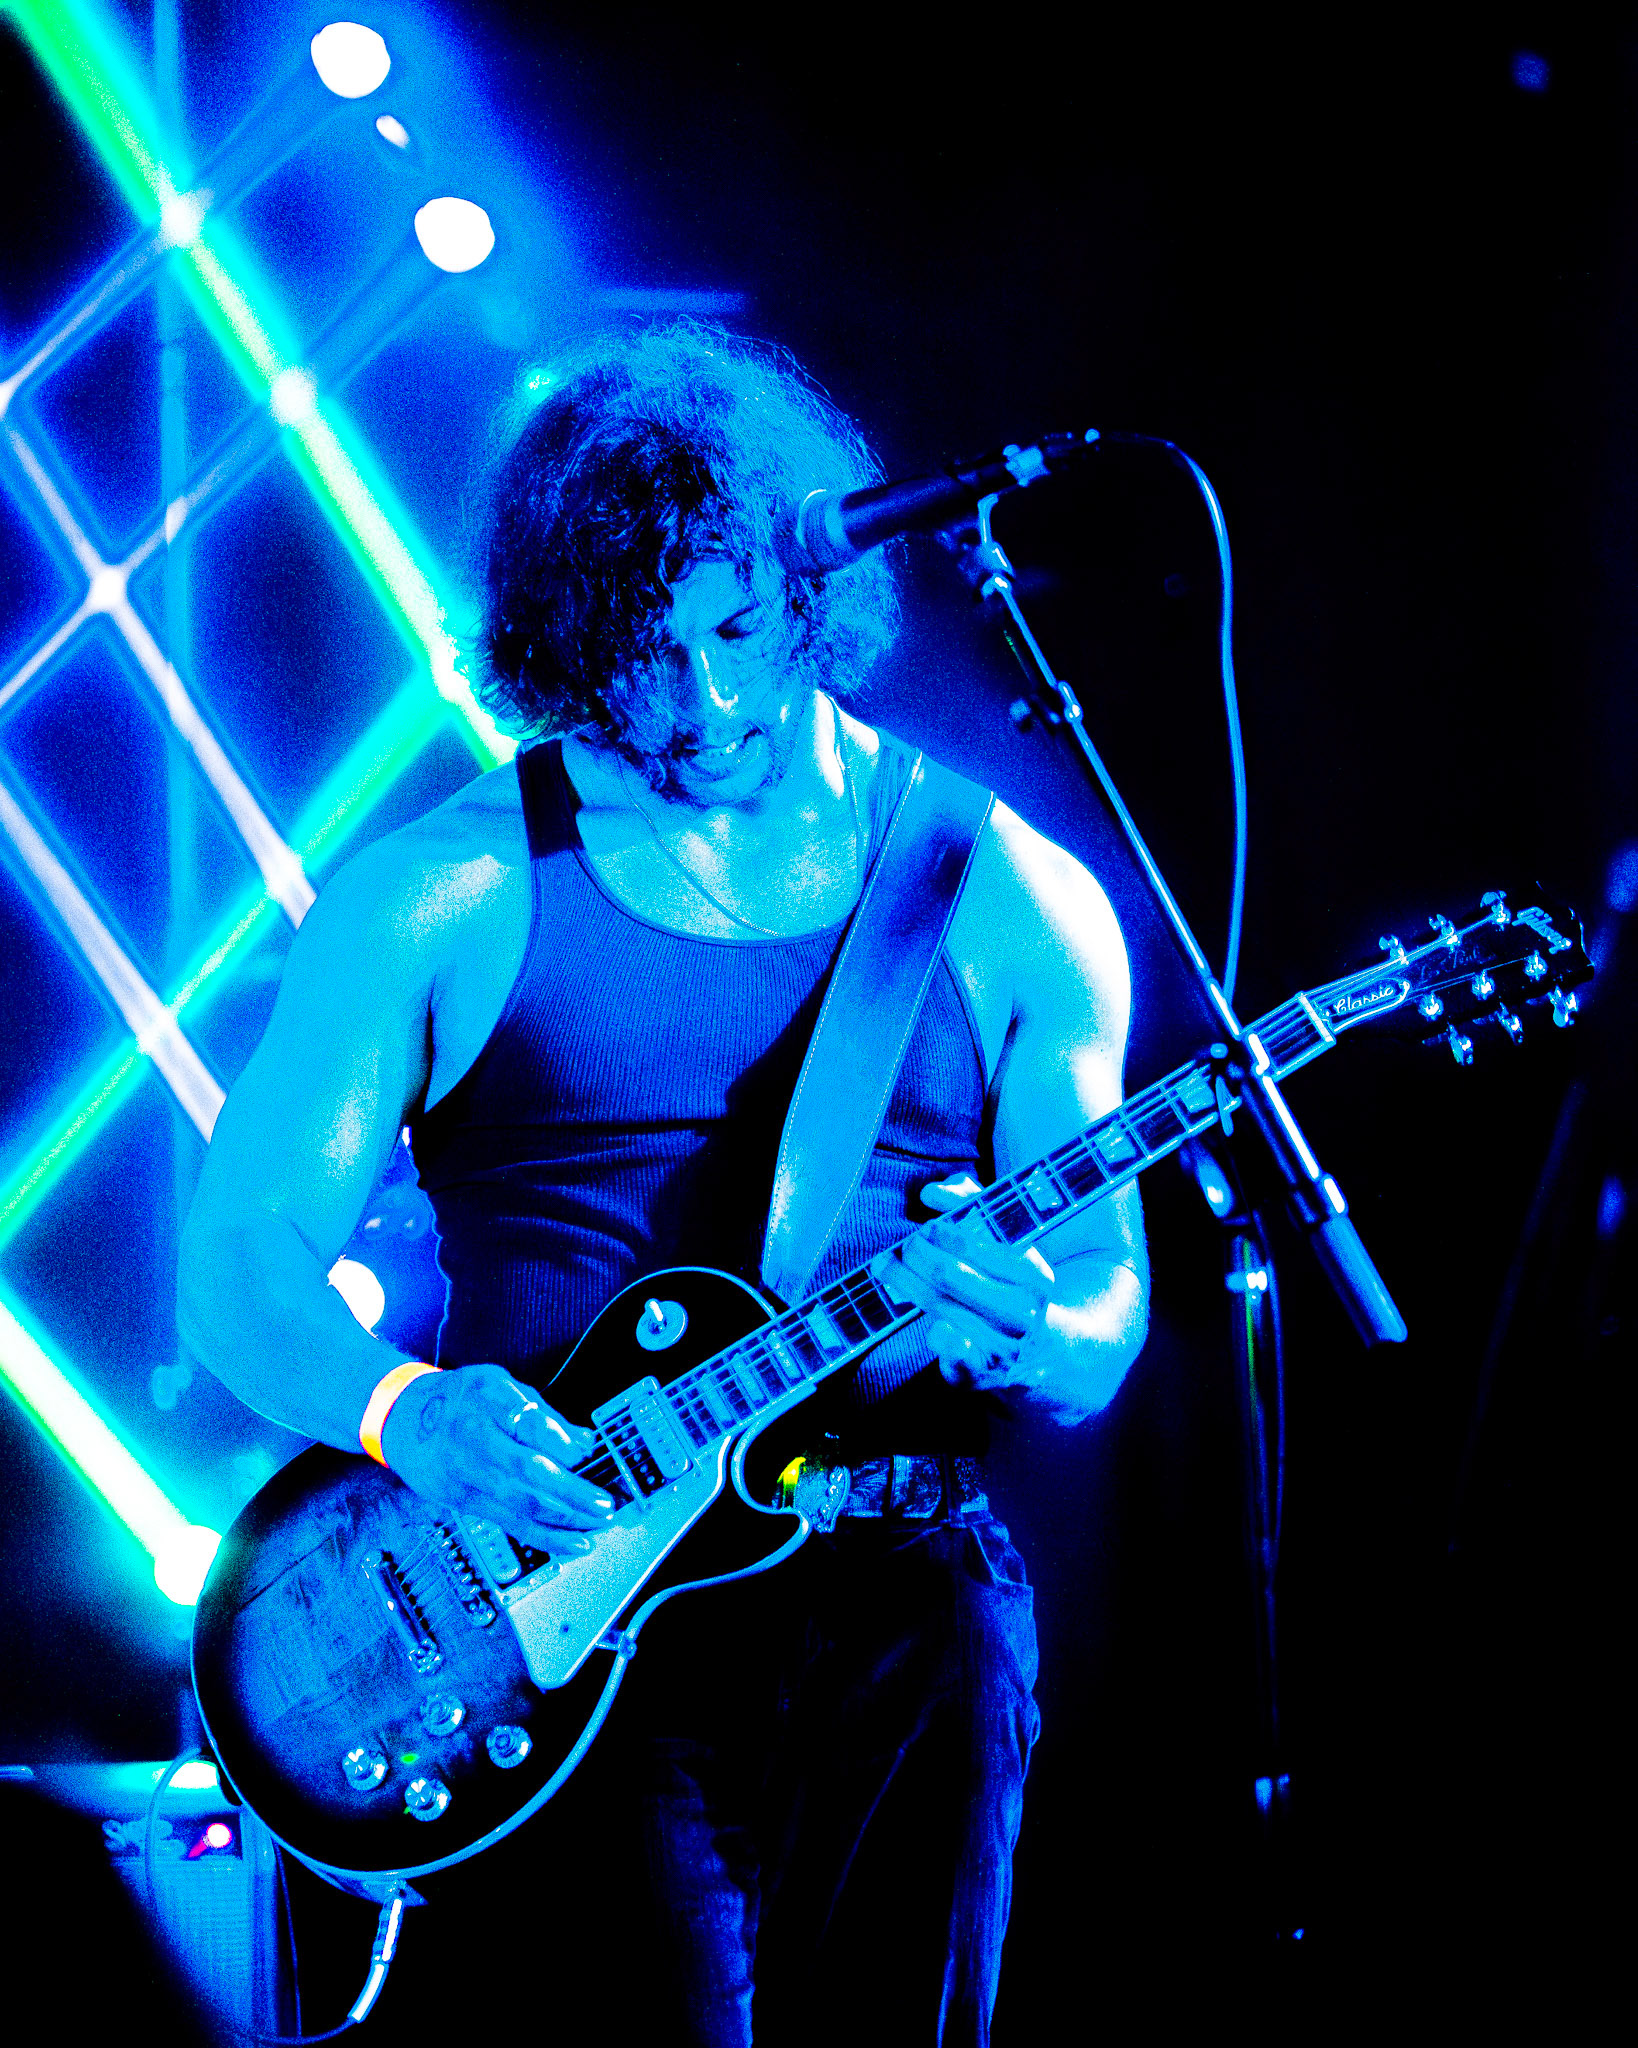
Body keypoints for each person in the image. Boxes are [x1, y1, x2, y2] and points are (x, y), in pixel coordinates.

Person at [178, 323, 1148, 2046]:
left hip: (905, 1602)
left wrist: (1029, 1333)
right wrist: (402, 1409)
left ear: (810, 592)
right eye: (645, 655)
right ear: (563, 646)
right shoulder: (447, 889)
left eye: (738, 631)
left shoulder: (1007, 890)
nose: (705, 702)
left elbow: (1101, 1318)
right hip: (560, 1628)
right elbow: (237, 1260)